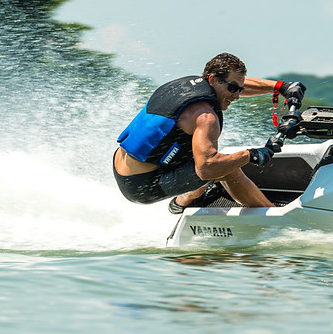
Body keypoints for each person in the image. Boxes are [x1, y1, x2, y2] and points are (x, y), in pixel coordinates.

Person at [113, 52, 305, 213]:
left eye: (240, 89)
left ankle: (184, 201)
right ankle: (273, 216)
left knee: (204, 152)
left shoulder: (191, 85)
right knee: (225, 169)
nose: (237, 96)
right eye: (232, 89)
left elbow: (236, 85)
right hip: (143, 187)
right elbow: (206, 169)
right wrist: (250, 155)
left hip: (123, 165)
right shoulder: (205, 118)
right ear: (213, 80)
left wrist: (280, 87)